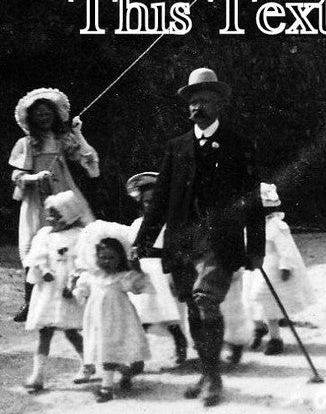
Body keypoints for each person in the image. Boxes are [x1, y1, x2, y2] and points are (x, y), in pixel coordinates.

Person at [132, 67, 265, 408]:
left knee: (206, 300)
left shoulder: (239, 144)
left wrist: (256, 248)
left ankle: (214, 378)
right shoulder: (176, 147)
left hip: (219, 241)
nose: (197, 107)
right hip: (182, 242)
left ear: (220, 104)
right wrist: (142, 240)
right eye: (192, 101)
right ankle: (206, 371)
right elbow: (160, 199)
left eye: (205, 100)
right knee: (192, 305)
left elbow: (252, 201)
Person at [10, 88, 100, 322]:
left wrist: (78, 134)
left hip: (63, 195)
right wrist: (35, 178)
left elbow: (89, 160)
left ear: (54, 114)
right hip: (36, 200)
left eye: (47, 112)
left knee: (74, 241)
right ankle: (30, 302)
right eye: (38, 113)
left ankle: (80, 295)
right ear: (31, 117)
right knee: (33, 245)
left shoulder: (63, 139)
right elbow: (18, 176)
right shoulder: (27, 143)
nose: (43, 116)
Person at [22, 190, 89, 392]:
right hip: (48, 291)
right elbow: (36, 257)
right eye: (49, 214)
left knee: (70, 331)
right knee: (45, 331)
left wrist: (74, 284)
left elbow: (82, 262)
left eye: (55, 214)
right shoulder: (44, 235)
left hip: (67, 291)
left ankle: (87, 364)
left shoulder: (79, 236)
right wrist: (43, 270)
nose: (50, 218)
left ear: (69, 215)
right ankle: (38, 375)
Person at [74, 237, 151, 402]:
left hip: (119, 321)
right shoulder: (91, 276)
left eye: (111, 258)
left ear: (120, 259)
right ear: (96, 257)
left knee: (114, 352)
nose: (107, 261)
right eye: (103, 257)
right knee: (105, 352)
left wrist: (138, 271)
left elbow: (140, 288)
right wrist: (77, 289)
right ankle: (115, 380)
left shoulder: (123, 277)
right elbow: (82, 290)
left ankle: (114, 383)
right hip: (97, 321)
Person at [124, 173, 189, 367]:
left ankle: (180, 345)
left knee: (169, 315)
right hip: (144, 272)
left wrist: (175, 277)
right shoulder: (137, 224)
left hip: (164, 271)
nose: (150, 205)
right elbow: (131, 249)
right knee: (141, 316)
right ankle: (138, 357)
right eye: (146, 201)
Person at [245, 184, 315, 356]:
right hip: (256, 268)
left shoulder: (276, 225)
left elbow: (286, 249)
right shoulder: (252, 226)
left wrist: (285, 266)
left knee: (267, 301)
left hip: (272, 269)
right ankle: (258, 327)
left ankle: (275, 338)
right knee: (250, 298)